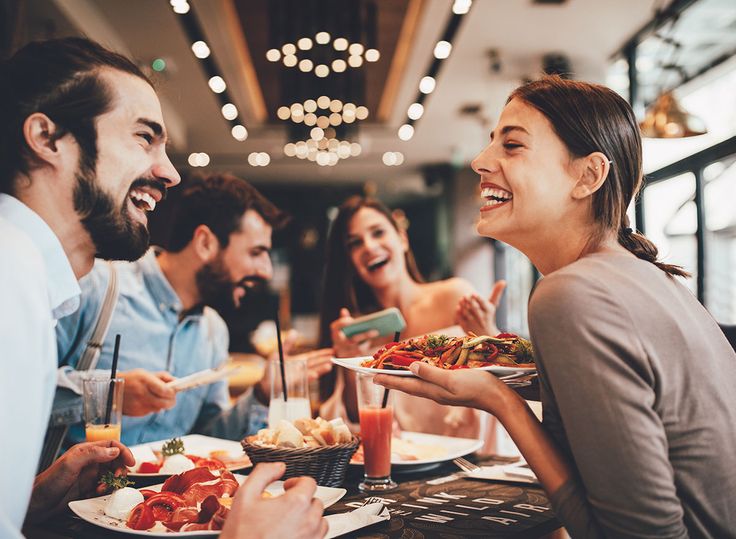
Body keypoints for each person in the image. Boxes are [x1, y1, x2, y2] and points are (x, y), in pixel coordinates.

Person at [376, 75, 736, 537]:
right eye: (491, 144)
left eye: (512, 146)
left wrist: (500, 400)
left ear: (587, 176)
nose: (480, 162)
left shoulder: (570, 292)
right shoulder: (649, 278)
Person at [1, 37, 324, 538]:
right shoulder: (12, 272)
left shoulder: (33, 277)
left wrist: (31, 501)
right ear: (47, 138)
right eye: (143, 137)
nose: (170, 172)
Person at [57, 173, 334, 446]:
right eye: (256, 252)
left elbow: (210, 439)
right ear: (205, 243)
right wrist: (110, 394)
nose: (266, 270)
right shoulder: (96, 287)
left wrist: (262, 394)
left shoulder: (213, 330)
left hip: (166, 491)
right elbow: (21, 387)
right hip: (78, 490)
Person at [318, 196, 505, 441]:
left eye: (378, 233)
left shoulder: (454, 297)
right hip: (401, 466)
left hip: (472, 453)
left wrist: (489, 334)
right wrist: (345, 361)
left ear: (402, 239)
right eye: (355, 243)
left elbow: (501, 388)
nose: (369, 247)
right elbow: (358, 419)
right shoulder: (361, 333)